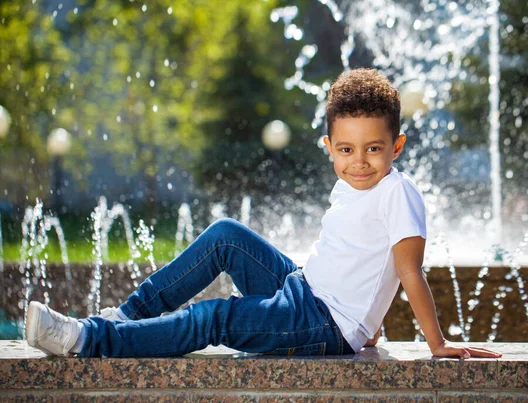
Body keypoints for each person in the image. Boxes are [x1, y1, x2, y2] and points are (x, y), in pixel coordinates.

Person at [26, 68, 501, 359]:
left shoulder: (397, 192)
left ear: (397, 146)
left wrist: (436, 343)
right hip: (304, 290)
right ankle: (125, 318)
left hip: (321, 323)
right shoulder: (352, 184)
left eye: (374, 149)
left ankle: (90, 339)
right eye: (346, 149)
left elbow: (407, 271)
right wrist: (370, 323)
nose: (360, 161)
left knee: (214, 318)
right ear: (328, 147)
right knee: (226, 236)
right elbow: (361, 258)